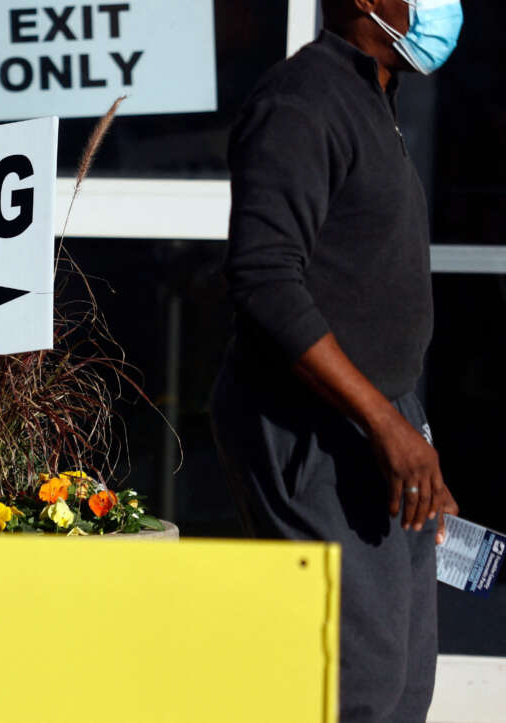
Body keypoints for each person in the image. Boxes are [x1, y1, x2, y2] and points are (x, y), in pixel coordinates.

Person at [211, 0, 463, 720]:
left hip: (384, 422)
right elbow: (263, 280)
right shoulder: (301, 101)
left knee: (406, 683)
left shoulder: (374, 97)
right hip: (311, 428)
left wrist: (412, 435)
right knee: (359, 685)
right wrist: (385, 424)